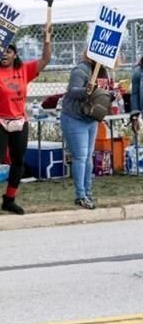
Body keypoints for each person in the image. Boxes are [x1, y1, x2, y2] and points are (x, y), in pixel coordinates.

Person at [0, 18, 52, 216]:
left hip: (19, 120)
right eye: (1, 52)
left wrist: (47, 39)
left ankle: (9, 199)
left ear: (14, 54)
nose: (4, 55)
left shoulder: (23, 70)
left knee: (19, 161)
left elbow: (45, 60)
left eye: (8, 51)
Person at [60, 52, 114, 209]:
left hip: (91, 118)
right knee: (81, 157)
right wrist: (86, 90)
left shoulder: (105, 72)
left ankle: (88, 193)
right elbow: (72, 91)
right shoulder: (81, 70)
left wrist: (111, 95)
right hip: (75, 117)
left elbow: (102, 93)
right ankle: (80, 195)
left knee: (88, 157)